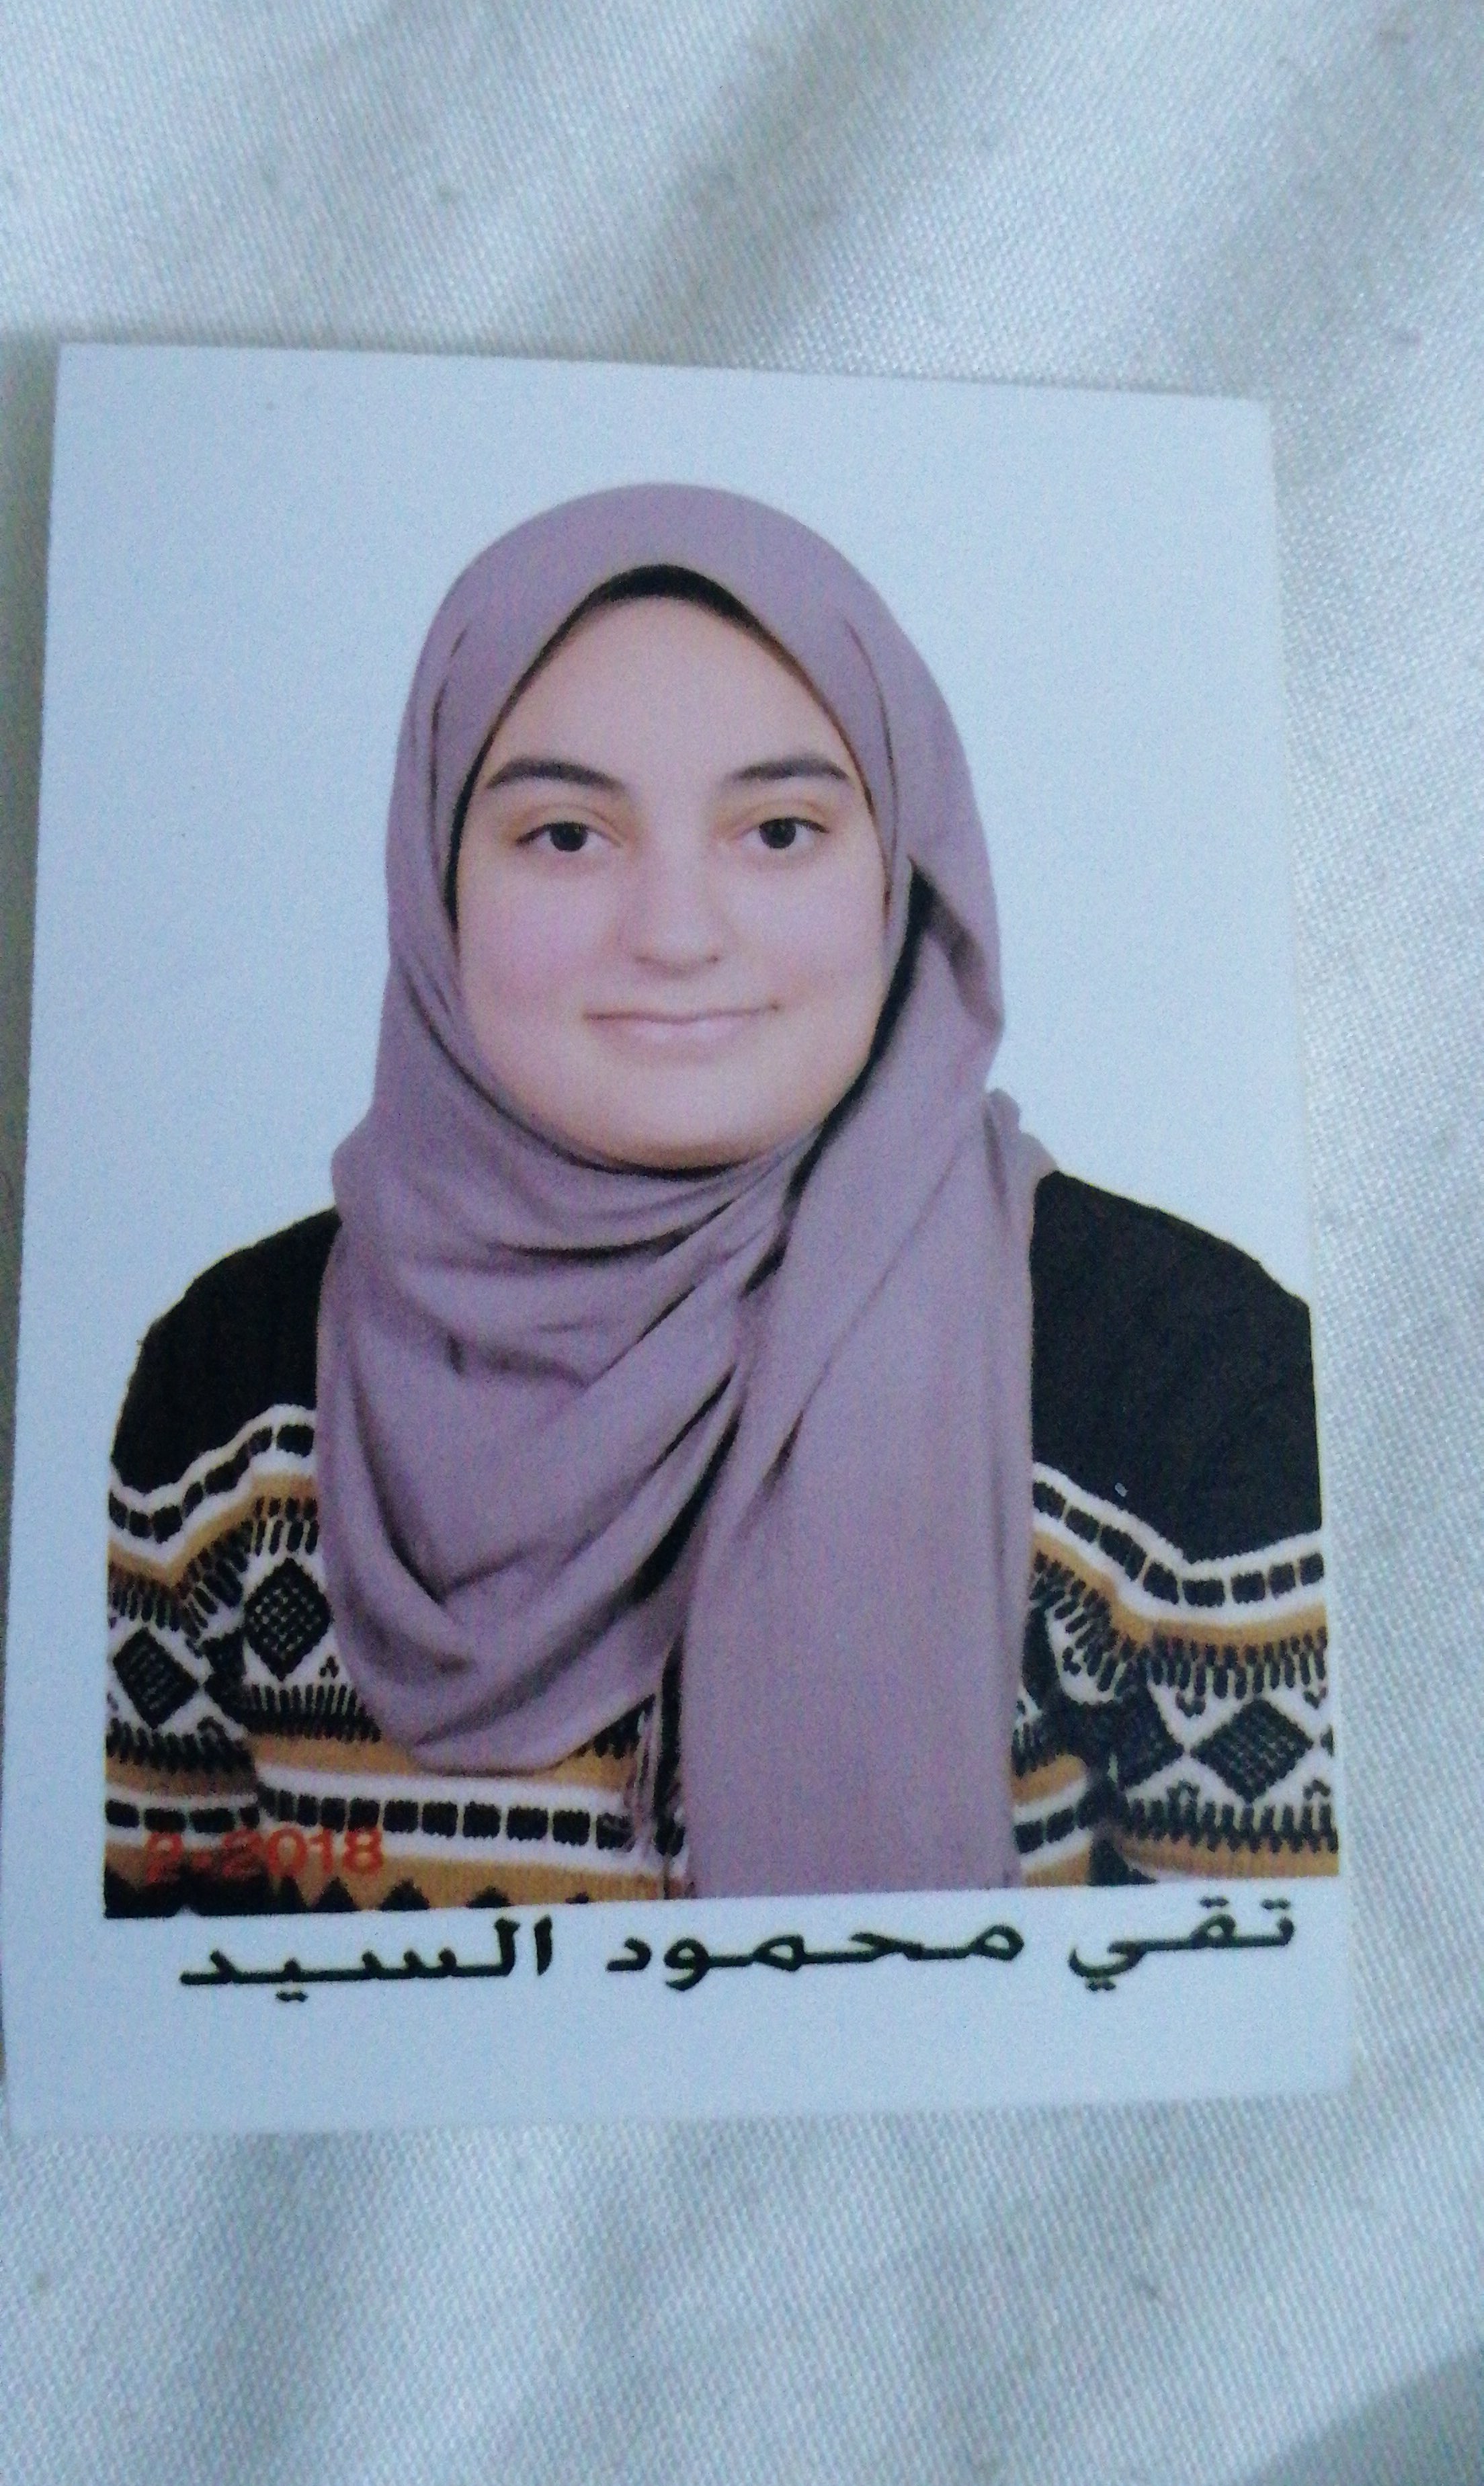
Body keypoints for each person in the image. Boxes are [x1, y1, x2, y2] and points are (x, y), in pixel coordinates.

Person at [104, 487, 1336, 1917]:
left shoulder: (1186, 1383)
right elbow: (146, 1991)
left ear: (901, 871)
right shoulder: (234, 1388)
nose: (678, 934)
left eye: (781, 831)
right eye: (568, 837)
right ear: (437, 882)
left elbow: (1252, 2024)